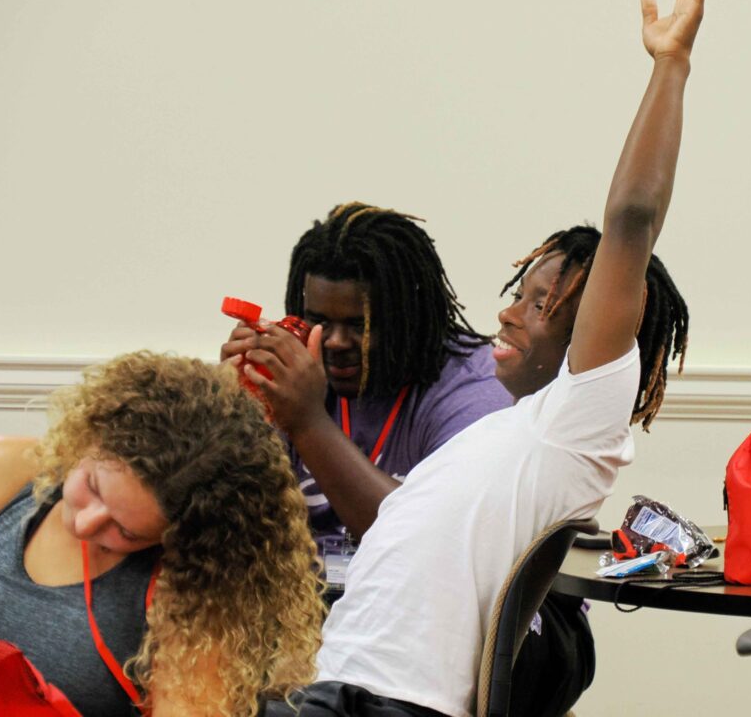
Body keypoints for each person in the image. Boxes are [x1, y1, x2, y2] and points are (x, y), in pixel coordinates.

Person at [270, 0, 705, 714]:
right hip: (335, 688)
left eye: (542, 305)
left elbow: (631, 219)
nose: (509, 311)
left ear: (595, 341)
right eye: (519, 291)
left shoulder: (579, 420)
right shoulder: (498, 433)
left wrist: (670, 65)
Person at [223, 205, 594, 714]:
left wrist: (308, 423)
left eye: (360, 324)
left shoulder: (476, 388)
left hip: (450, 632)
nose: (334, 343)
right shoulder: (293, 376)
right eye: (318, 320)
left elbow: (432, 548)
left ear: (410, 317)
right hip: (320, 621)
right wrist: (235, 412)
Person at [0, 352, 325, 717]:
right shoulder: (8, 468)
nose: (84, 525)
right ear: (91, 437)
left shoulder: (195, 601)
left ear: (176, 537)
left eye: (126, 531)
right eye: (93, 486)